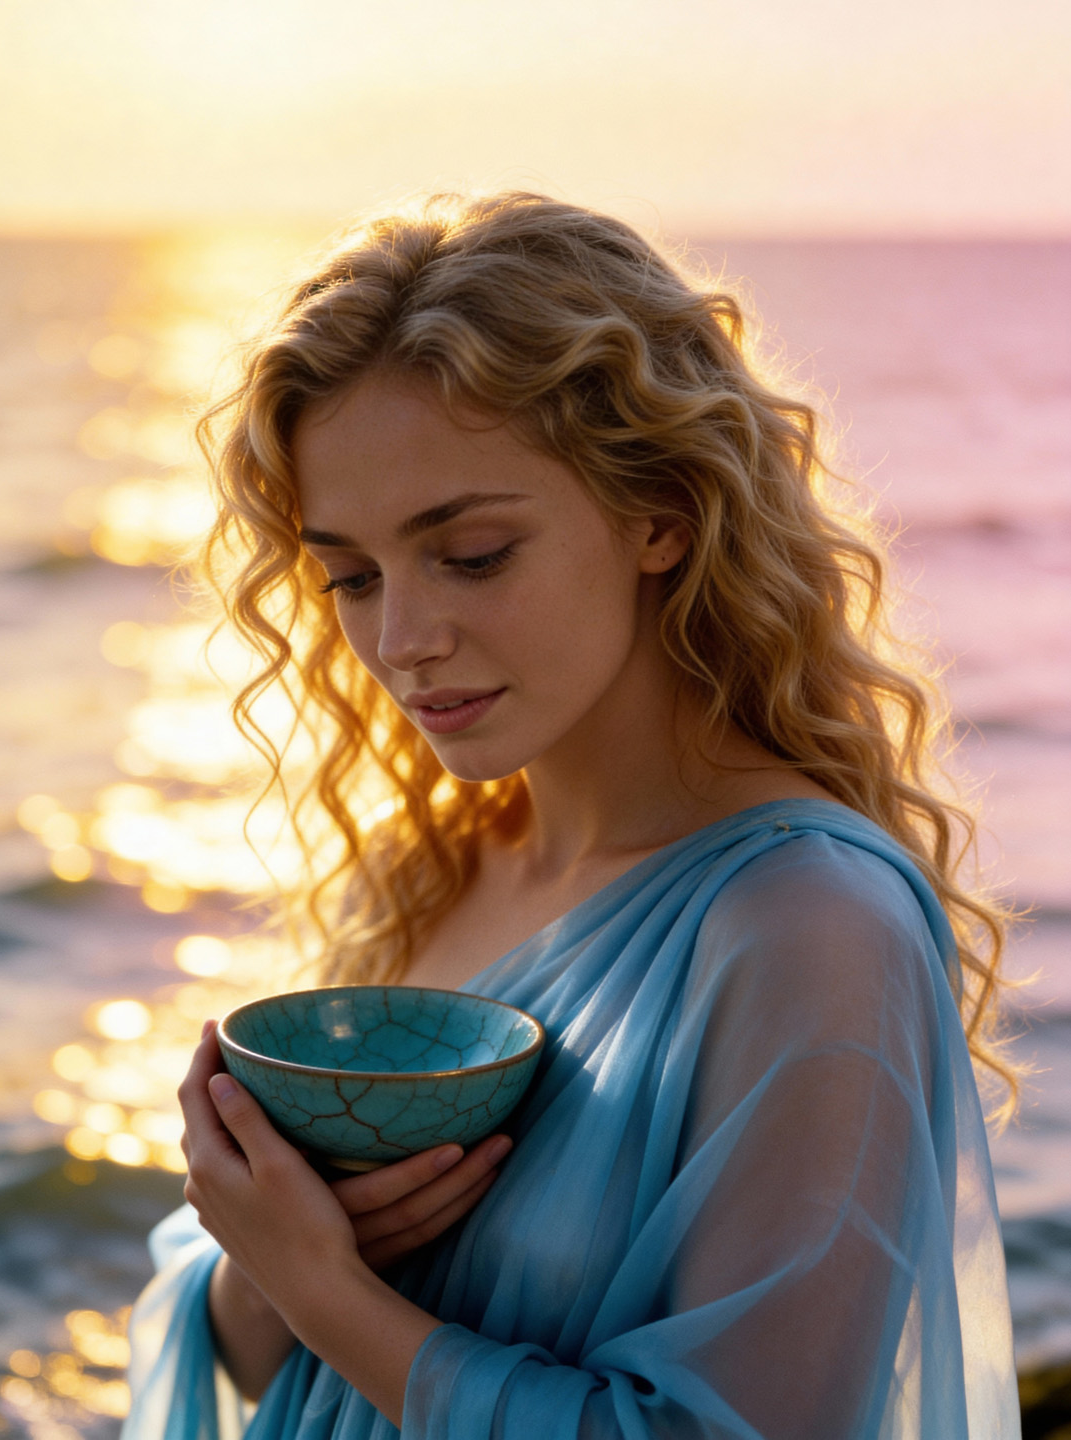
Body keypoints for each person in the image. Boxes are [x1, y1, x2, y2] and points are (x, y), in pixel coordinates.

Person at [123, 192, 1021, 1439]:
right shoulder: (438, 869)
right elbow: (248, 1350)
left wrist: (327, 1289)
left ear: (663, 512)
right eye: (351, 575)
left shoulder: (811, 926)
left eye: (474, 553)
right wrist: (261, 1251)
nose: (402, 641)